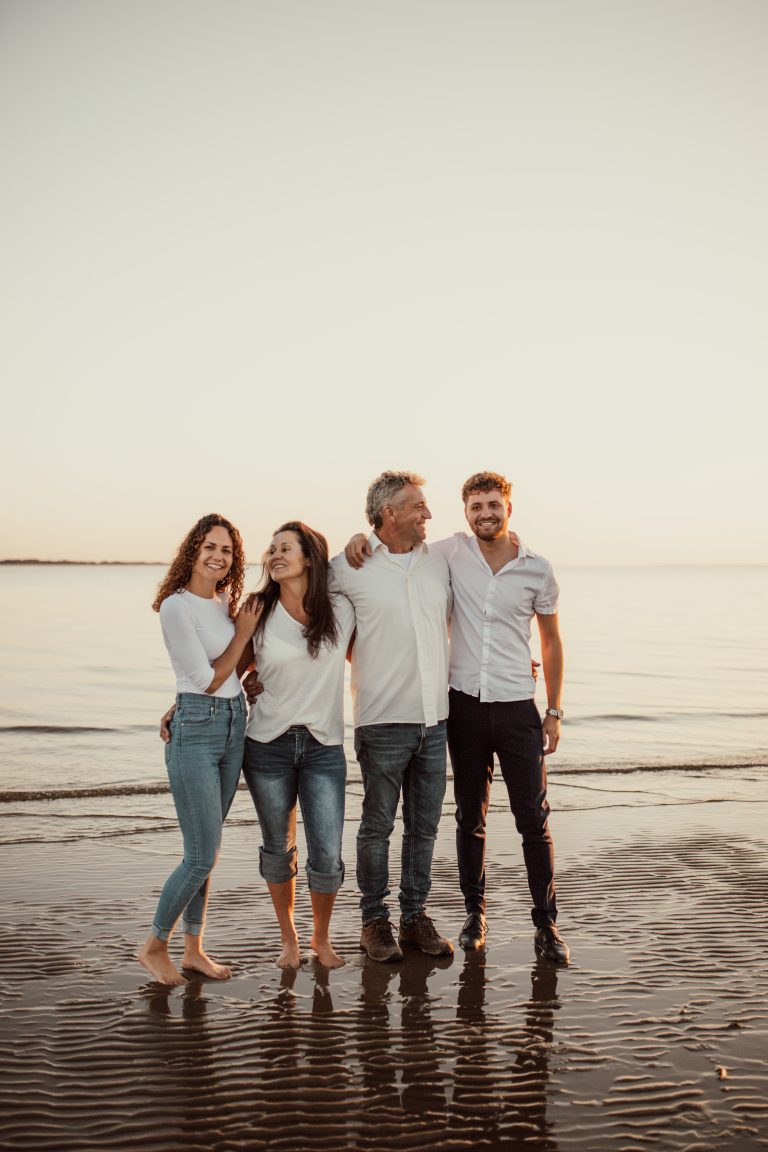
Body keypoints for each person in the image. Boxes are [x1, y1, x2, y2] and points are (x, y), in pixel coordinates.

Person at [346, 471, 570, 965]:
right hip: (462, 706)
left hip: (517, 708)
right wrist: (359, 537)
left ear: (508, 506)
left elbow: (551, 642)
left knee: (533, 820)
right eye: (475, 506)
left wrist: (553, 710)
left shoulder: (538, 568)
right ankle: (475, 915)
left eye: (493, 504)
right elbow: (388, 547)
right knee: (470, 819)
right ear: (465, 512)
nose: (485, 513)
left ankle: (547, 925)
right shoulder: (448, 553)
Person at [331, 471, 453, 963]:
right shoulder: (347, 566)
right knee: (377, 827)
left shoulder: (441, 562)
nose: (427, 513)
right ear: (390, 514)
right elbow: (302, 616)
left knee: (424, 828)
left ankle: (414, 917)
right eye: (418, 505)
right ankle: (372, 921)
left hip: (436, 718)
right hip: (381, 720)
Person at [137, 513, 259, 986]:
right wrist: (243, 635)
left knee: (209, 848)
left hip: (234, 727)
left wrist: (249, 669)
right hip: (197, 730)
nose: (218, 555)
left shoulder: (225, 602)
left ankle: (193, 949)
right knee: (200, 856)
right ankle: (153, 945)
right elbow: (205, 678)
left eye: (227, 549)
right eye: (209, 545)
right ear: (192, 550)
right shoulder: (176, 606)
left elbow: (230, 670)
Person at [240, 521, 356, 970]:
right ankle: (288, 938)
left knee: (326, 851)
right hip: (266, 744)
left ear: (309, 558)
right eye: (271, 550)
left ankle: (320, 938)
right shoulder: (257, 610)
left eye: (284, 548)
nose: (274, 555)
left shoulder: (341, 611)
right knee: (277, 848)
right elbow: (230, 669)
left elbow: (376, 653)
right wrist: (183, 706)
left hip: (324, 746)